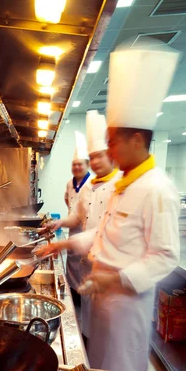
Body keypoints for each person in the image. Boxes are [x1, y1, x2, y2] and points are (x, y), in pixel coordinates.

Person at [38, 41, 181, 371]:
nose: (110, 151)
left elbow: (165, 256)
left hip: (124, 306)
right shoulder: (125, 186)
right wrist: (64, 242)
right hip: (100, 297)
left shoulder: (157, 188)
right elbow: (100, 233)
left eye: (114, 142)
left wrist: (114, 281)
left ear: (136, 139)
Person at [42, 110, 120, 343]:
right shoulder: (89, 187)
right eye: (92, 157)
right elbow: (76, 216)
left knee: (108, 331)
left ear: (112, 157)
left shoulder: (120, 187)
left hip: (111, 271)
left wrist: (65, 243)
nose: (95, 162)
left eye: (99, 157)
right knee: (88, 322)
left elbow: (104, 231)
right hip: (89, 264)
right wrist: (59, 223)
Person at [62, 131, 92, 303]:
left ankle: (81, 295)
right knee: (72, 259)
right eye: (74, 165)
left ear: (87, 165)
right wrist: (71, 214)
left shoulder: (91, 185)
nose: (76, 168)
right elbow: (66, 197)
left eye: (80, 165)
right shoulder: (69, 183)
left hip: (86, 229)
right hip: (73, 226)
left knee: (83, 261)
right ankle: (72, 291)